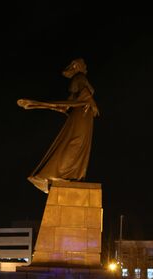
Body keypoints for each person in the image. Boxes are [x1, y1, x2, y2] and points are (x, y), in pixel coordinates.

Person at [17, 58, 99, 193]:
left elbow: (70, 102)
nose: (85, 67)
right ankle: (56, 174)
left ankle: (68, 175)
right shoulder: (80, 77)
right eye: (83, 64)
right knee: (76, 143)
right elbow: (84, 94)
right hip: (83, 112)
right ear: (77, 66)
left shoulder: (78, 78)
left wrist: (52, 106)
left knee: (77, 144)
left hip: (83, 113)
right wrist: (93, 104)